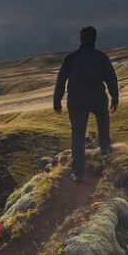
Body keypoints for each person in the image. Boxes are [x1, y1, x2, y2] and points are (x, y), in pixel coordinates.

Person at [53, 26, 119, 182]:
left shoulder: (71, 58)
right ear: (95, 39)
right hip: (98, 99)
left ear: (81, 39)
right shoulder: (101, 57)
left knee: (77, 136)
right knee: (103, 129)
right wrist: (115, 98)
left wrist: (57, 101)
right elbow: (111, 79)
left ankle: (77, 173)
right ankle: (105, 160)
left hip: (77, 101)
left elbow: (61, 80)